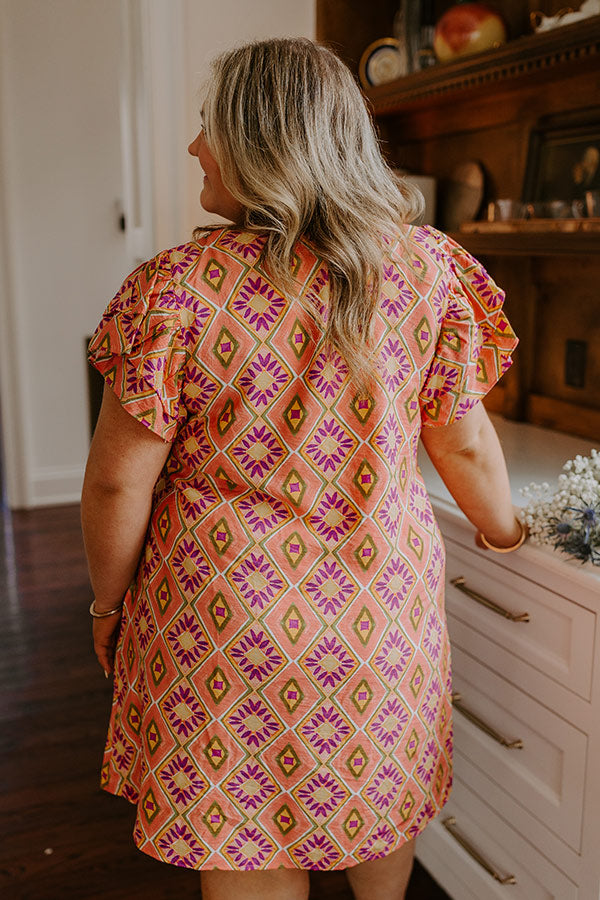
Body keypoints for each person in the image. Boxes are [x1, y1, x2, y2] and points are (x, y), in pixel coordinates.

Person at [81, 37, 525, 900]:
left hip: (222, 623)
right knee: (378, 799)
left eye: (208, 126)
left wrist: (109, 604)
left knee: (249, 835)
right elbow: (464, 444)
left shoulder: (176, 290)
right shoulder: (426, 271)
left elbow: (114, 482)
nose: (193, 147)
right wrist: (510, 534)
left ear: (260, 140)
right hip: (378, 619)